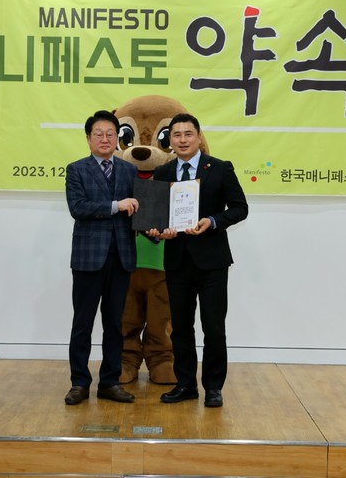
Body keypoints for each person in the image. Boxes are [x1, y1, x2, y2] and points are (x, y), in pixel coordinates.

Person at [148, 113, 248, 407]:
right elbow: (153, 220)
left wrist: (213, 221)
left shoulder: (219, 168)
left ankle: (213, 386)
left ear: (199, 137)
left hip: (212, 262)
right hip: (177, 261)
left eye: (188, 134)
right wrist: (158, 231)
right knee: (180, 328)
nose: (182, 140)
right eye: (176, 135)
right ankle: (185, 384)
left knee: (213, 327)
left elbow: (240, 208)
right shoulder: (163, 173)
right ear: (170, 140)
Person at [64, 110, 139, 405]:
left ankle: (110, 382)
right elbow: (78, 208)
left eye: (110, 134)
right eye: (99, 134)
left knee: (115, 324)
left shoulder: (130, 170)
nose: (105, 139)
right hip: (88, 258)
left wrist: (156, 228)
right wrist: (115, 205)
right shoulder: (76, 170)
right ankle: (79, 383)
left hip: (121, 257)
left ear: (117, 137)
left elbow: (139, 211)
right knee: (82, 323)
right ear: (88, 138)